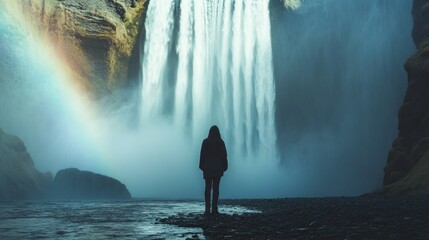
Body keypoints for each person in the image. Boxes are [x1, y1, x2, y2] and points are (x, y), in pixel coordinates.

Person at [199, 125, 228, 215]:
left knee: (207, 188)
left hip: (208, 167)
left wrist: (201, 166)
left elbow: (202, 155)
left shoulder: (205, 142)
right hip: (218, 167)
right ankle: (214, 209)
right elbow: (224, 155)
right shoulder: (221, 142)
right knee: (216, 188)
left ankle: (207, 209)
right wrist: (225, 166)